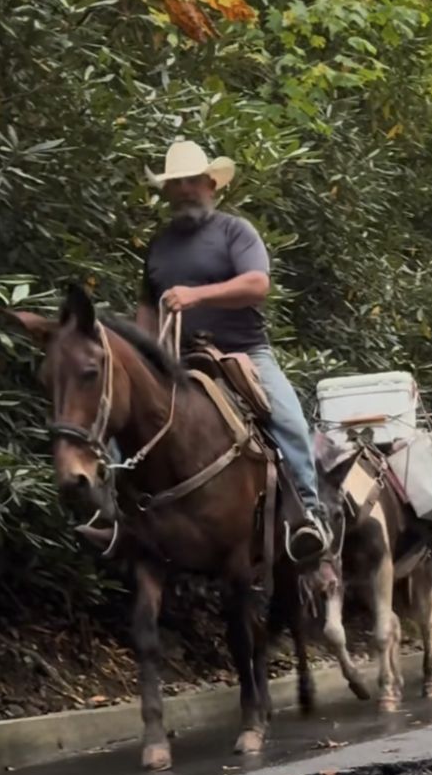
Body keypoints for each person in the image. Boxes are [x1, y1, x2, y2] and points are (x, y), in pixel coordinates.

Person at [136, 140, 330, 563]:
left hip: (243, 354)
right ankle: (118, 518)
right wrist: (142, 354)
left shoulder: (235, 231)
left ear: (211, 185)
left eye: (193, 181)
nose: (186, 189)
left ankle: (310, 518)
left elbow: (257, 285)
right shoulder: (158, 245)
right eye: (177, 183)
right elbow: (147, 312)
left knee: (289, 420)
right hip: (177, 359)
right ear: (167, 191)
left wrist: (195, 295)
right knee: (125, 419)